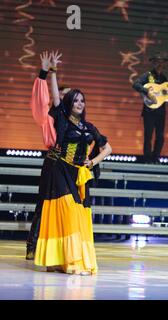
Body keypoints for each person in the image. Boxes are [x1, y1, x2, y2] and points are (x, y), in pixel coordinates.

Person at [32, 51, 112, 275]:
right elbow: (56, 99)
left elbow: (108, 148)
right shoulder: (63, 120)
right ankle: (66, 260)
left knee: (78, 214)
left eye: (82, 100)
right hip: (59, 168)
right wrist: (52, 72)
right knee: (65, 210)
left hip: (78, 173)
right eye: (75, 100)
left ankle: (67, 260)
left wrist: (92, 162)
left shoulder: (89, 127)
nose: (79, 103)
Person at [26, 51, 71, 260]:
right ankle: (33, 245)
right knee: (44, 203)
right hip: (53, 162)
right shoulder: (48, 116)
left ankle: (60, 248)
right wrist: (46, 72)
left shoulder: (76, 121)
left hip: (69, 166)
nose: (64, 98)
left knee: (66, 206)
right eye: (62, 95)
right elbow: (41, 99)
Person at [133, 52, 168, 163]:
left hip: (161, 112)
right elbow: (136, 84)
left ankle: (155, 158)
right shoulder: (147, 75)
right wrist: (147, 92)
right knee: (148, 136)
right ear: (153, 63)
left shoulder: (164, 78)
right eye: (157, 62)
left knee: (160, 136)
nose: (160, 64)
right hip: (149, 111)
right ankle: (147, 159)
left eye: (162, 62)